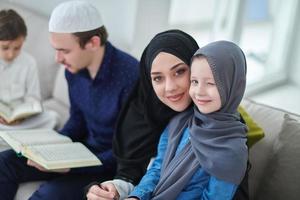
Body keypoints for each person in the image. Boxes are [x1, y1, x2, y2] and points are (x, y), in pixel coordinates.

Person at [86, 31, 251, 200]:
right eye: (158, 78)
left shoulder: (228, 133)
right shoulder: (172, 121)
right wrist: (123, 191)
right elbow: (149, 170)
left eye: (179, 72)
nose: (170, 87)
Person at [0, 1, 139, 199]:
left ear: (93, 43)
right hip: (78, 152)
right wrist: (52, 149)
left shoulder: (131, 76)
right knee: (4, 162)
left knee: (47, 195)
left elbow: (127, 154)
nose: (58, 59)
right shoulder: (73, 70)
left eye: (64, 51)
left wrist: (71, 166)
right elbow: (77, 120)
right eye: (56, 50)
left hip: (105, 165)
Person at [126, 40, 248, 199]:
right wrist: (136, 196)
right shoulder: (179, 122)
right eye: (194, 81)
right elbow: (157, 169)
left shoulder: (231, 149)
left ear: (232, 85)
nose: (199, 92)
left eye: (211, 83)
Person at [0, 9, 57, 130]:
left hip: (19, 117)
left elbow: (33, 97)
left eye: (17, 48)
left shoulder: (29, 62)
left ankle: (9, 135)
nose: (11, 54)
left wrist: (23, 115)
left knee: (52, 117)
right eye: (5, 48)